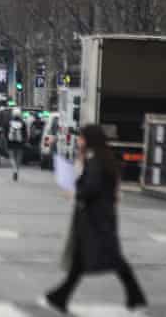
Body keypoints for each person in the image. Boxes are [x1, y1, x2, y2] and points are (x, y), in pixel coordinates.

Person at [44, 125, 147, 313]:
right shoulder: (102, 158)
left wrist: (75, 193)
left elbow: (92, 188)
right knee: (84, 259)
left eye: (81, 138)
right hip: (99, 217)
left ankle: (135, 295)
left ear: (89, 139)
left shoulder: (96, 160)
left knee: (109, 258)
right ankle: (60, 296)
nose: (79, 141)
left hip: (95, 219)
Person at [7, 108, 26, 181]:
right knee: (19, 158)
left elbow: (6, 132)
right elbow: (25, 133)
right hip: (20, 142)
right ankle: (16, 170)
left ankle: (14, 169)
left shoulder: (9, 123)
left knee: (12, 157)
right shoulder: (23, 123)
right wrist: (25, 140)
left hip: (11, 141)